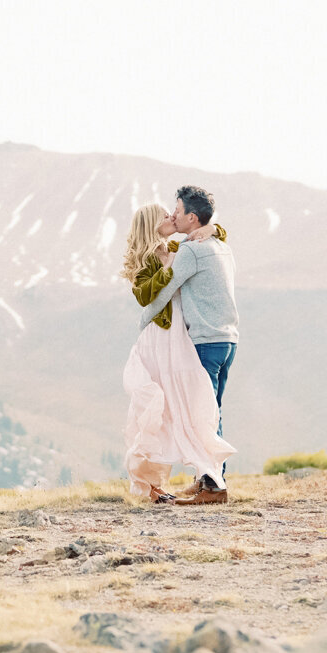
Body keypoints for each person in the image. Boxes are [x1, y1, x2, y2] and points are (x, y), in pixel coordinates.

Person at [120, 202, 235, 505]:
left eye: (172, 213)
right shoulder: (145, 259)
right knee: (156, 409)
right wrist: (169, 269)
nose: (172, 217)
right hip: (160, 340)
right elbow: (145, 296)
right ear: (151, 226)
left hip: (179, 339)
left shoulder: (177, 245)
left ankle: (208, 476)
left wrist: (213, 228)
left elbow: (210, 237)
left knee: (191, 405)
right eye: (164, 216)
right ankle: (152, 485)